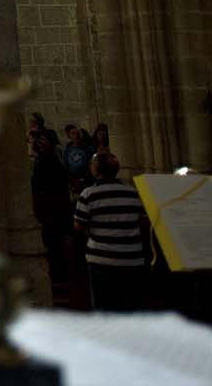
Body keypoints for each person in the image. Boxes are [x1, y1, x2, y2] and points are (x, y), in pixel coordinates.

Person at [73, 151, 150, 312]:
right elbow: (143, 223)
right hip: (132, 258)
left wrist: (97, 232)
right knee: (130, 306)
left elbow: (79, 225)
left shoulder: (88, 194)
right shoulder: (133, 192)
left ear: (95, 169)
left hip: (102, 259)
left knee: (105, 308)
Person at [31, 130, 74, 292]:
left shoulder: (52, 158)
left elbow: (57, 181)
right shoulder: (41, 159)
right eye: (39, 140)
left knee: (56, 241)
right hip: (48, 206)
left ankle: (60, 273)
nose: (40, 143)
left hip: (55, 206)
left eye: (44, 140)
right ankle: (57, 272)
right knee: (51, 241)